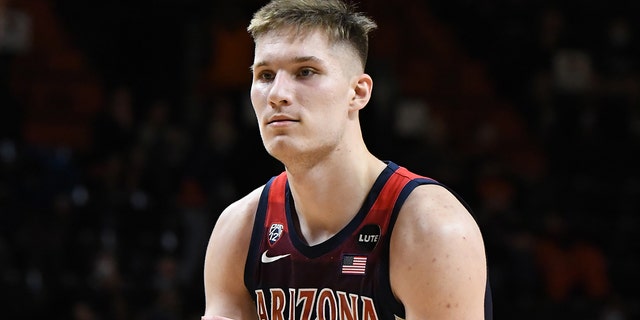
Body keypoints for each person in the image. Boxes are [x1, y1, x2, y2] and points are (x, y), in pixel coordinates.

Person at [202, 0, 492, 319]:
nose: (277, 93)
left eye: (305, 72)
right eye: (266, 74)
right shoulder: (238, 229)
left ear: (358, 93)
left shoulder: (432, 229)